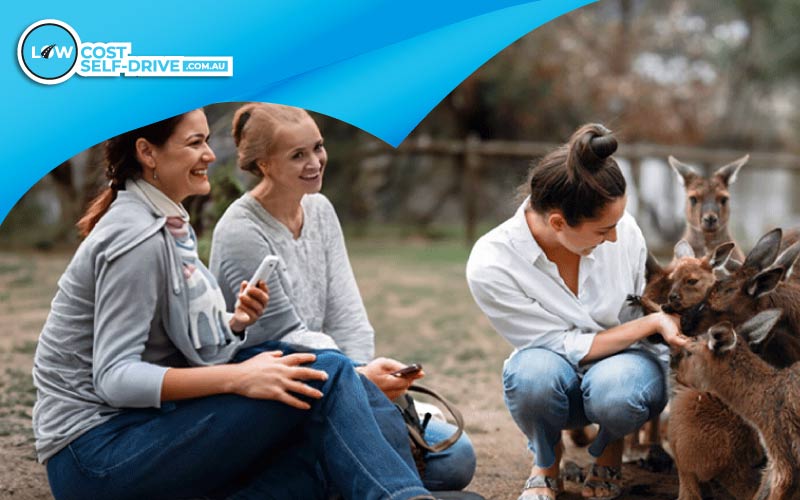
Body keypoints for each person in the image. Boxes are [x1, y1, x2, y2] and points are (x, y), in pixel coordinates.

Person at [32, 108, 435, 500]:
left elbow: (174, 342)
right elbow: (115, 378)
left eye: (206, 140)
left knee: (304, 389)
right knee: (320, 372)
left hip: (140, 431)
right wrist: (238, 378)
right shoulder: (136, 237)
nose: (210, 154)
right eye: (195, 143)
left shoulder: (166, 220)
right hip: (96, 456)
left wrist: (235, 323)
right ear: (147, 152)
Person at [209, 102, 477, 492]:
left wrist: (363, 376)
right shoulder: (240, 230)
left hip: (340, 375)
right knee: (429, 463)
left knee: (456, 458)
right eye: (297, 155)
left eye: (317, 147)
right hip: (284, 394)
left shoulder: (319, 209)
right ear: (264, 164)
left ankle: (334, 473)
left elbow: (346, 312)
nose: (315, 162)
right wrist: (357, 381)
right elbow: (284, 335)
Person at [465, 124, 687, 500]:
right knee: (531, 377)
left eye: (617, 224)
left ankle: (611, 452)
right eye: (604, 230)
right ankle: (546, 464)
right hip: (552, 368)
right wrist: (651, 322)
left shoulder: (625, 232)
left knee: (619, 392)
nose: (615, 237)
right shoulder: (492, 263)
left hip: (623, 365)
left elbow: (635, 313)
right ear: (557, 222)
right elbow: (554, 344)